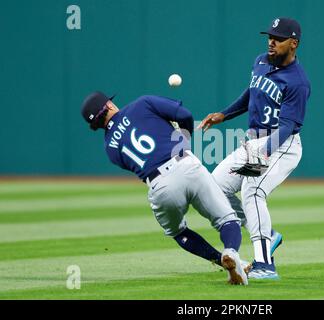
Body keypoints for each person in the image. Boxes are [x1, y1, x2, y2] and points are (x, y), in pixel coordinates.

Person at [81, 91, 248, 285]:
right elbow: (184, 115)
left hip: (160, 185)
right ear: (109, 105)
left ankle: (221, 260)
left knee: (179, 233)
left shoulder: (109, 148)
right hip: (185, 163)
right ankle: (230, 252)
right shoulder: (142, 103)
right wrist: (182, 136)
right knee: (227, 219)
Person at [198, 17, 311, 279]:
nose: (272, 41)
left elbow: (287, 126)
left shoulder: (298, 82)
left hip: (281, 143)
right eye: (270, 36)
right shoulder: (261, 60)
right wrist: (224, 115)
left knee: (253, 190)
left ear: (293, 44)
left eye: (279, 38)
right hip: (254, 141)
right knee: (215, 187)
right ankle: (268, 235)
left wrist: (265, 151)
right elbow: (250, 94)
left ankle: (265, 265)